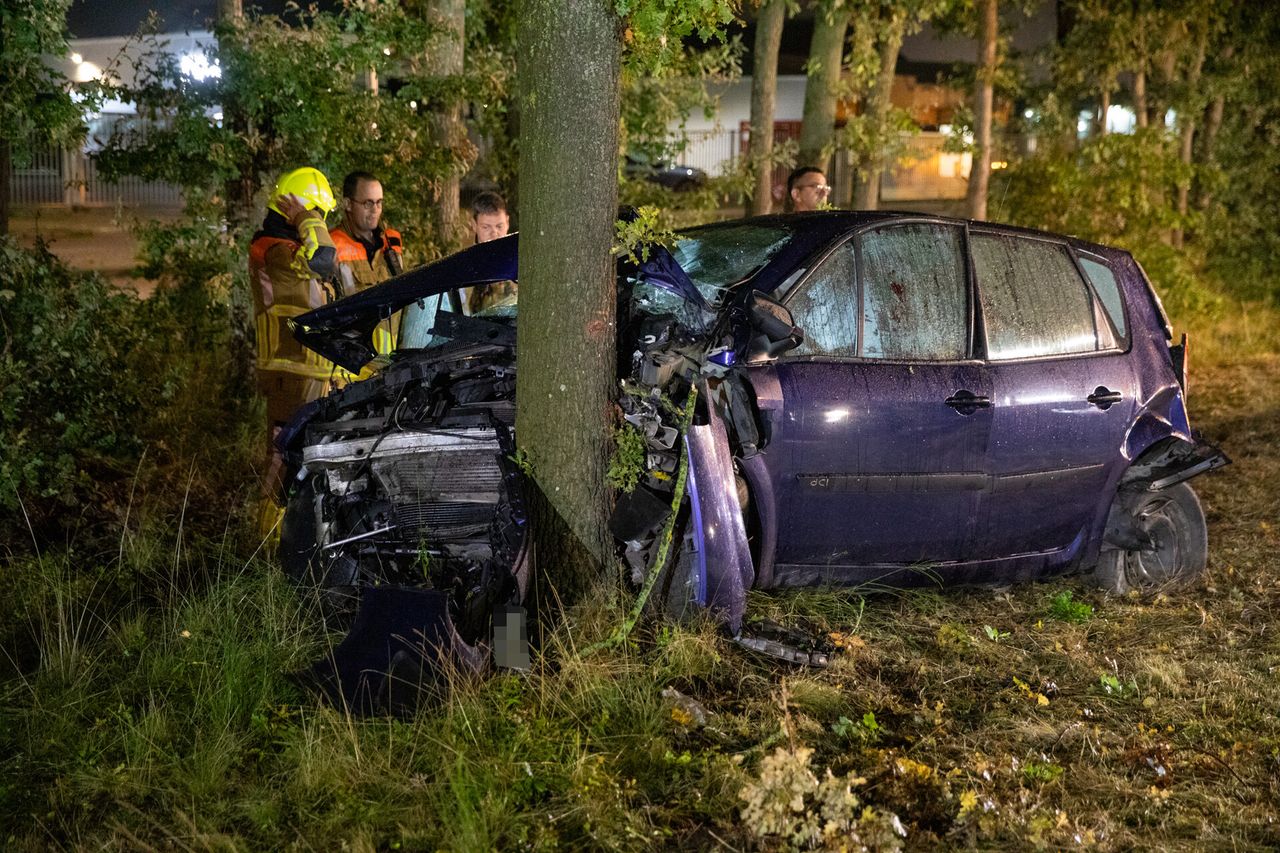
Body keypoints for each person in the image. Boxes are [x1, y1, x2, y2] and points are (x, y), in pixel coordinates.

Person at [248, 166, 339, 518]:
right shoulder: (273, 251)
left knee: (309, 457)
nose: (321, 222)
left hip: (311, 373)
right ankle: (263, 540)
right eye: (317, 213)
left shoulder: (288, 250)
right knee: (282, 457)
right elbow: (323, 258)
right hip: (290, 373)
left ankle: (293, 538)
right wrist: (306, 218)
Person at [329, 170, 403, 355]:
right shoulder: (333, 245)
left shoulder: (392, 242)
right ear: (347, 204)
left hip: (391, 360)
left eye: (379, 202)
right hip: (354, 359)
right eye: (368, 203)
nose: (375, 210)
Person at [463, 190, 516, 314]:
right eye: (486, 227)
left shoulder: (522, 261)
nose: (494, 234)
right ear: (474, 225)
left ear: (507, 222)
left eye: (499, 226)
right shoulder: (463, 266)